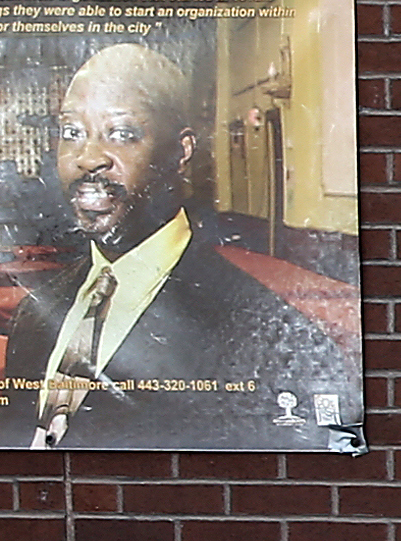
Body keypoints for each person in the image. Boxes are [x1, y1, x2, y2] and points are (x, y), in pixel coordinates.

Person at [13, 40, 359, 446]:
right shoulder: (36, 314)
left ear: (181, 151)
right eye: (72, 132)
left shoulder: (269, 338)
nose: (88, 157)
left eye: (122, 133)